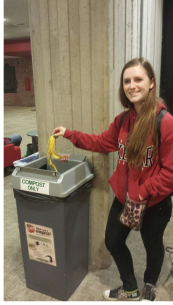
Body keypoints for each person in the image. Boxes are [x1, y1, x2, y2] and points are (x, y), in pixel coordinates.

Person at [53, 57, 173, 302]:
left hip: (154, 202)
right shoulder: (123, 121)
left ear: (151, 83)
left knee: (153, 245)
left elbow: (171, 173)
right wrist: (69, 134)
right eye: (127, 80)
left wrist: (144, 190)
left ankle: (149, 284)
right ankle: (130, 287)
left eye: (138, 79)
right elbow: (101, 142)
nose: (132, 85)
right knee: (113, 241)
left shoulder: (165, 122)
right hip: (124, 197)